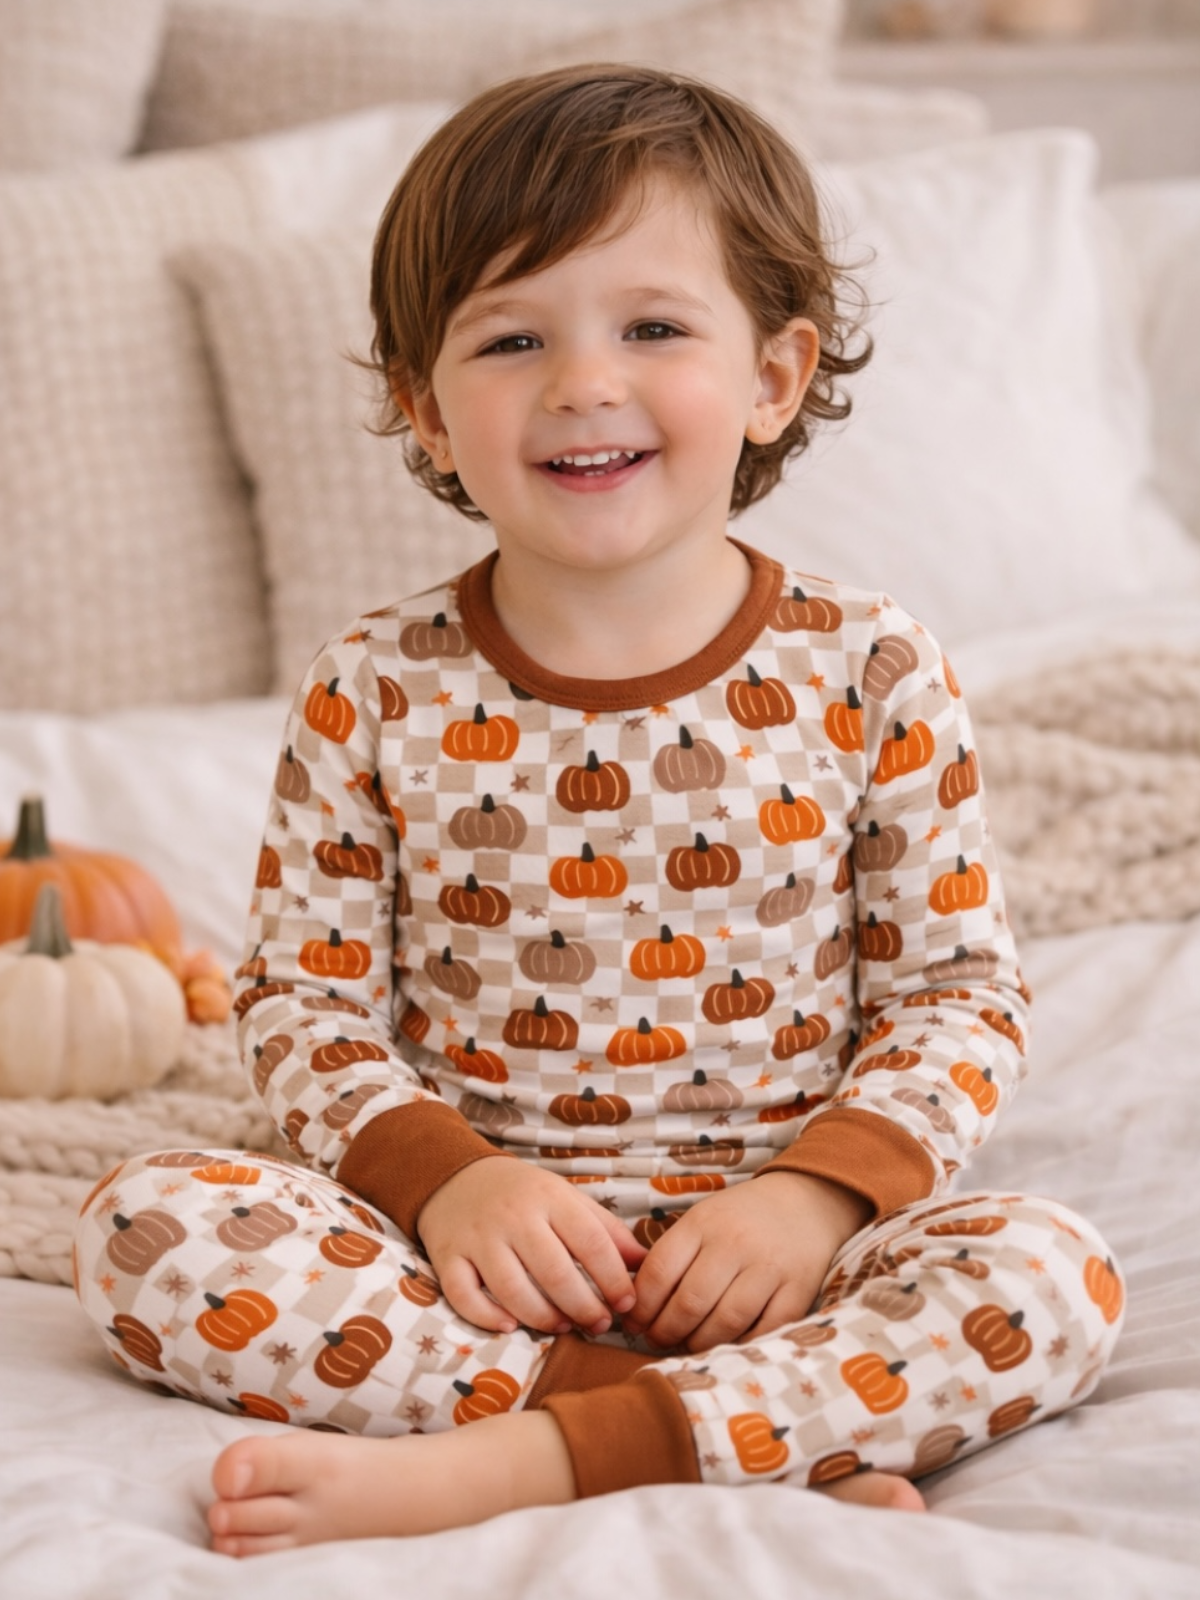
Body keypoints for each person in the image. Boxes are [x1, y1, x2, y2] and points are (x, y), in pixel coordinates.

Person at [73, 63, 1125, 1556]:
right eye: (513, 337)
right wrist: (455, 1185)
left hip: (788, 1257)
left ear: (772, 374)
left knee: (1050, 1280)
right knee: (142, 1231)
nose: (582, 382)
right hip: (473, 1268)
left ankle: (516, 1460)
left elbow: (957, 996)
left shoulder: (874, 666)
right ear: (423, 410)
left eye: (651, 327)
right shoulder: (373, 687)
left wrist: (814, 1204)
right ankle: (693, 1431)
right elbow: (303, 1003)